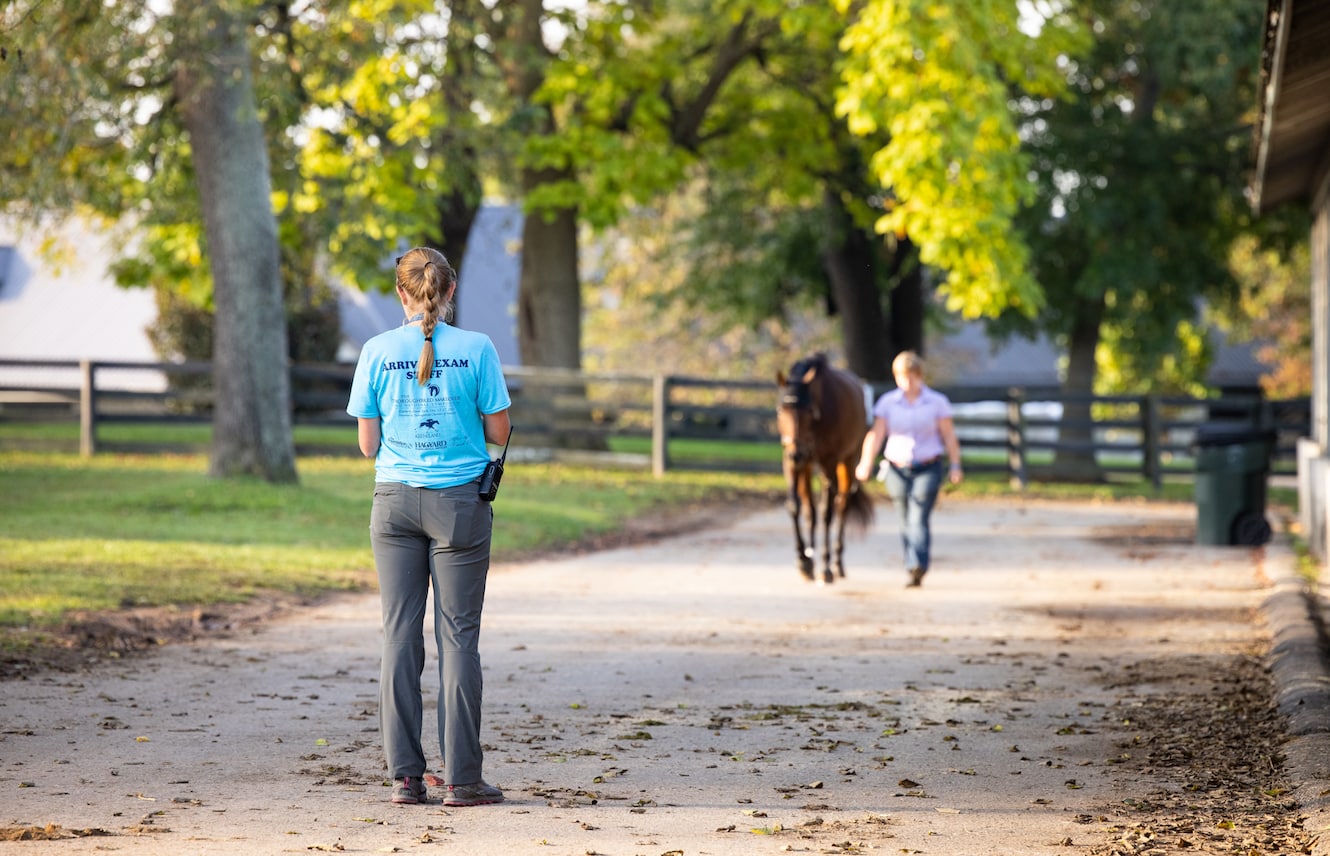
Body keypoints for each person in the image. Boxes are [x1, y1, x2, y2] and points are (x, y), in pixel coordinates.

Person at [346, 246, 512, 807]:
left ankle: (405, 778)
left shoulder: (375, 350)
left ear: (401, 292)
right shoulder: (477, 349)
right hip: (460, 505)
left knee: (398, 637)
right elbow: (499, 430)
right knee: (459, 638)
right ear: (450, 290)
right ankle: (463, 780)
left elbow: (369, 444)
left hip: (393, 505)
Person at [855, 350, 962, 588]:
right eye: (902, 377)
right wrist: (865, 462)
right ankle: (911, 563)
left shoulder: (936, 402)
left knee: (918, 515)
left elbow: (949, 436)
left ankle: (918, 563)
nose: (907, 382)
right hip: (897, 468)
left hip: (928, 466)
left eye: (911, 376)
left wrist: (955, 465)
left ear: (919, 376)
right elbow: (877, 435)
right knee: (904, 518)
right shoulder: (888, 403)